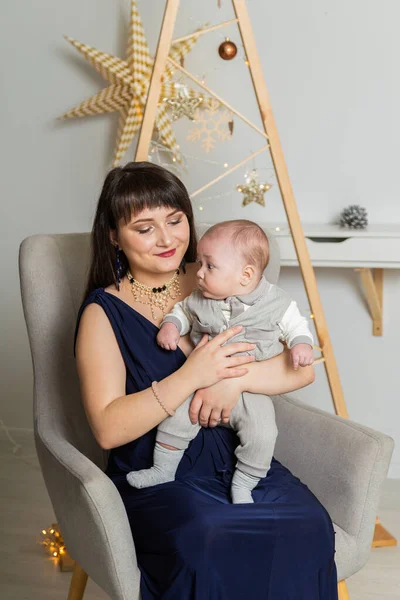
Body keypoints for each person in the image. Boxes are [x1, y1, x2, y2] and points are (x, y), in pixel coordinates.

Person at [75, 161, 337, 599]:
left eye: (176, 220)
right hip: (162, 473)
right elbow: (106, 428)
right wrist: (192, 375)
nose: (167, 238)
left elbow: (302, 367)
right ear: (114, 237)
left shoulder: (219, 272)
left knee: (310, 524)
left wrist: (232, 381)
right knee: (210, 535)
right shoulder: (103, 313)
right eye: (145, 228)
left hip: (239, 463)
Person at [126, 219, 314, 504]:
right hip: (203, 381)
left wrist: (301, 344)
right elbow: (181, 313)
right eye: (199, 262)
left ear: (245, 275)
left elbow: (297, 327)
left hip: (252, 391)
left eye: (209, 266)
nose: (199, 273)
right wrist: (171, 326)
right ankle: (162, 469)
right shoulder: (199, 299)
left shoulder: (278, 302)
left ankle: (244, 485)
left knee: (263, 433)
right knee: (176, 416)